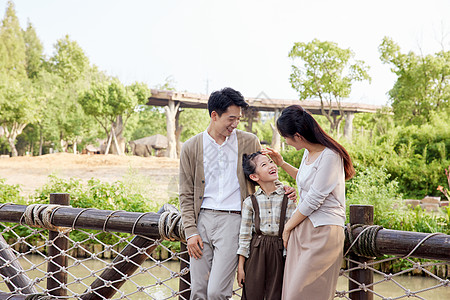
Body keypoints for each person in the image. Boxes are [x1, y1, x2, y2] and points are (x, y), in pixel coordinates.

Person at [179, 87, 296, 300]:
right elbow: (185, 193)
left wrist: (282, 188)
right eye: (231, 119)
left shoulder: (249, 141)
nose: (235, 124)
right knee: (198, 291)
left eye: (238, 119)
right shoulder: (191, 147)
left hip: (234, 221)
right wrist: (190, 231)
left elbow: (260, 172)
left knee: (217, 292)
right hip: (202, 220)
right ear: (214, 115)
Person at [263, 105, 355, 300]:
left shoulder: (330, 155)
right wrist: (281, 163)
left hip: (324, 230)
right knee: (291, 294)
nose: (286, 142)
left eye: (285, 137)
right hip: (303, 228)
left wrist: (287, 227)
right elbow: (305, 180)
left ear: (297, 135)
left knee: (304, 295)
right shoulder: (308, 152)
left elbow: (314, 198)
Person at [237, 151, 296, 300]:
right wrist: (241, 267)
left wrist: (289, 260)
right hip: (256, 252)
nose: (271, 165)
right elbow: (244, 237)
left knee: (276, 294)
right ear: (254, 177)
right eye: (264, 164)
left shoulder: (288, 197)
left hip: (279, 249)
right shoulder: (250, 202)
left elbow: (291, 232)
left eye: (271, 162)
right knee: (252, 294)